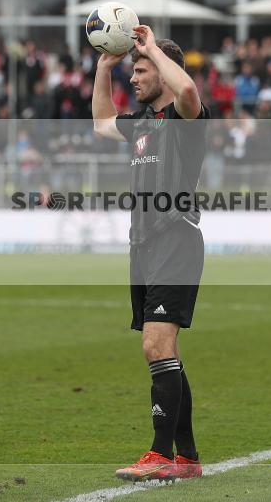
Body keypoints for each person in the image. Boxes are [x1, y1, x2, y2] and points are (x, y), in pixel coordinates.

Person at [92, 26, 208, 482]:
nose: (134, 78)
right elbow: (101, 121)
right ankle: (188, 458)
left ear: (162, 70)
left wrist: (154, 50)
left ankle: (160, 454)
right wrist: (105, 66)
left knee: (156, 345)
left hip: (176, 238)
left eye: (140, 71)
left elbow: (189, 89)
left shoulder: (185, 118)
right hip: (141, 245)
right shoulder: (140, 123)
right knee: (167, 351)